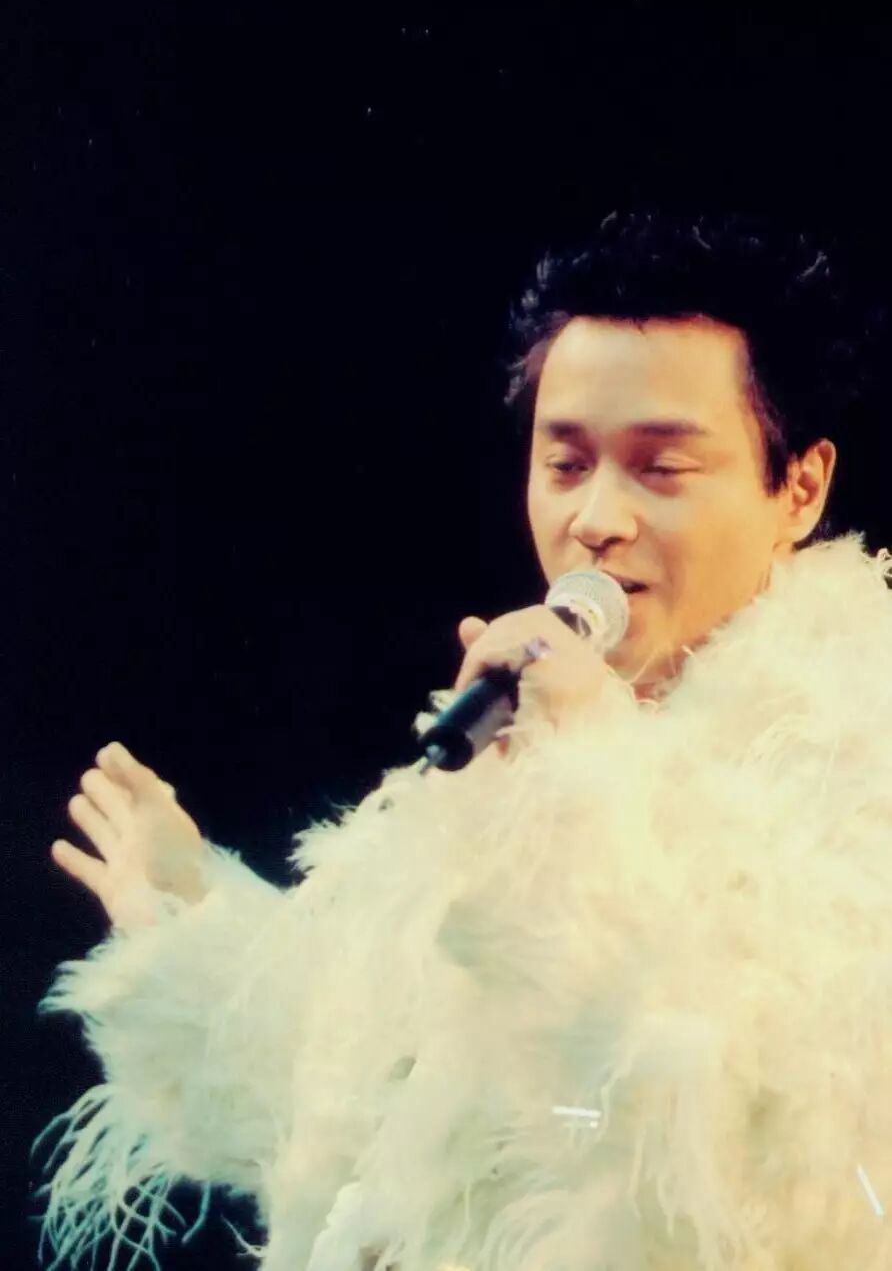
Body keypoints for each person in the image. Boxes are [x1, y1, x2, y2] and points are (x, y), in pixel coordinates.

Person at [32, 209, 892, 1271]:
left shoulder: (861, 756)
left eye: (662, 468)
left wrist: (592, 777)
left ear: (799, 488)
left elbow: (759, 1186)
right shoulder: (518, 744)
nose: (596, 518)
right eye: (565, 463)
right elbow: (350, 1137)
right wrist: (192, 928)